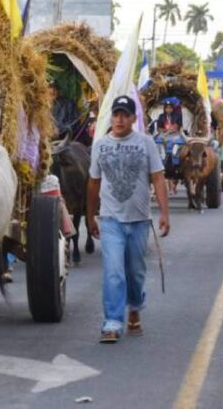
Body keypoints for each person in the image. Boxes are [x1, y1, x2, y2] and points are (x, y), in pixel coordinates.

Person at [86, 95, 170, 344]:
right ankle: (112, 322)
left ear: (134, 118)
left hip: (140, 219)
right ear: (111, 117)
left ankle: (134, 306)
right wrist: (90, 217)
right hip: (110, 219)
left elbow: (158, 178)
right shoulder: (100, 145)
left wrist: (164, 213)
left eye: (125, 115)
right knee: (113, 272)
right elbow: (93, 183)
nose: (120, 119)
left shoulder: (145, 143)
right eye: (116, 114)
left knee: (135, 272)